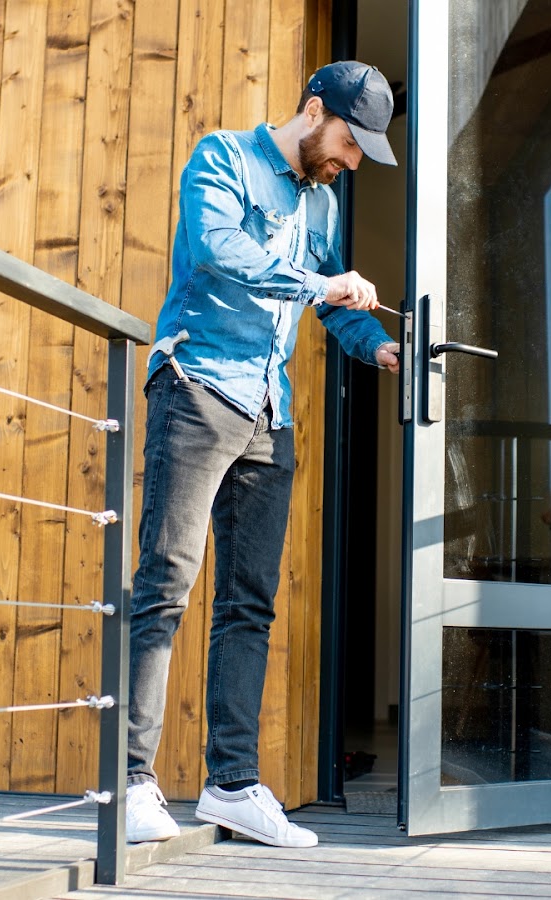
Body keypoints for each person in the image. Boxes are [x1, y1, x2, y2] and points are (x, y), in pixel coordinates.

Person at [122, 61, 400, 849]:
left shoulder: (323, 202)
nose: (348, 162)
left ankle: (231, 785)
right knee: (165, 585)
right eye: (348, 143)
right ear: (314, 111)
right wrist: (322, 283)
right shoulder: (224, 158)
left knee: (249, 602)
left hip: (267, 412)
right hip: (199, 386)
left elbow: (331, 310)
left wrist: (376, 346)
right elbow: (218, 252)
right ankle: (133, 782)